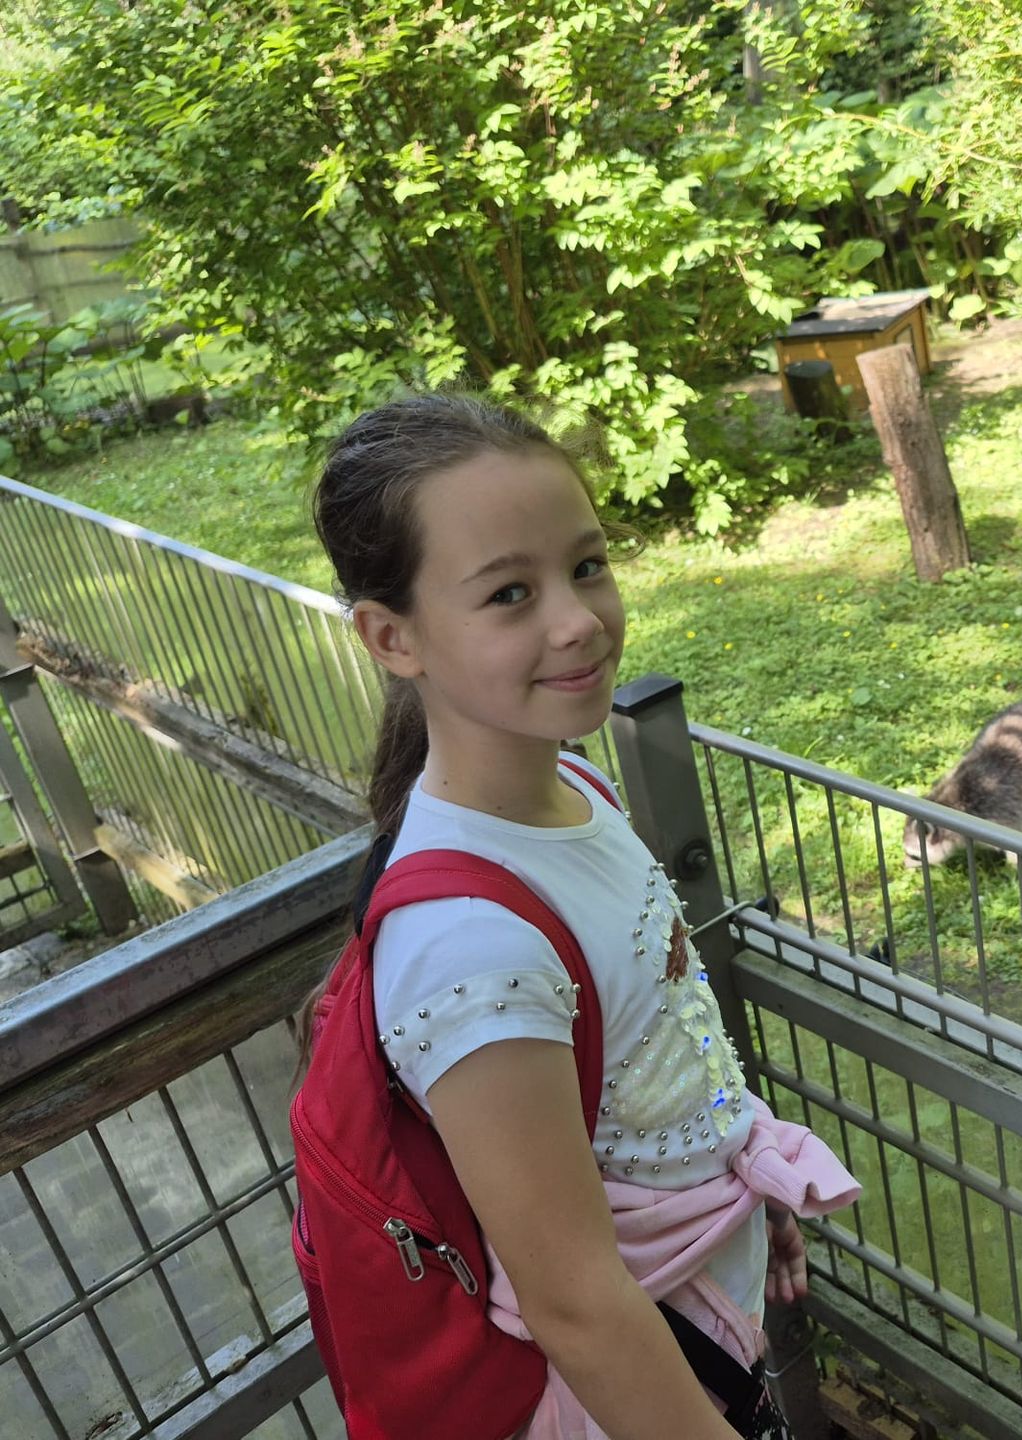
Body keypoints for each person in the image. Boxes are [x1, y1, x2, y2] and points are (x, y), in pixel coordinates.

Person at [307, 393, 857, 1440]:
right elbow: (577, 1304)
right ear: (391, 636)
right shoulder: (472, 950)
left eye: (588, 565)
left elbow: (660, 1030)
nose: (578, 621)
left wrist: (743, 1172)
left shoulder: (573, 786)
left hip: (699, 1324)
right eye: (510, 593)